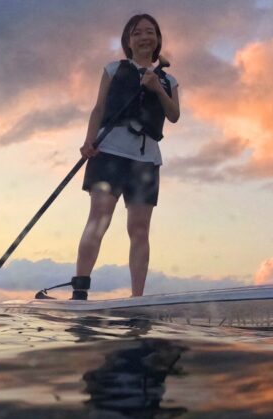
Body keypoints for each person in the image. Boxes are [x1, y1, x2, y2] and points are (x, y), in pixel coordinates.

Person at [71, 13, 180, 301]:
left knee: (139, 228)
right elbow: (98, 109)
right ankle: (80, 291)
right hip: (109, 152)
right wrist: (88, 141)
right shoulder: (112, 69)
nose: (144, 37)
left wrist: (157, 87)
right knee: (99, 219)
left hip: (146, 159)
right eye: (137, 33)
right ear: (128, 41)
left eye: (150, 32)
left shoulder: (168, 80)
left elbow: (174, 115)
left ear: (157, 40)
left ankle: (137, 298)